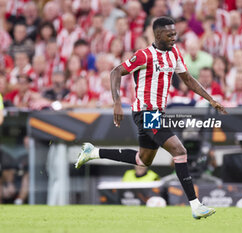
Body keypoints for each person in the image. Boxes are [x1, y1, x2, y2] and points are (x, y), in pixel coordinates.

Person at [75, 16, 227, 219]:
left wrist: (211, 99)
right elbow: (115, 72)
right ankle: (195, 205)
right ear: (158, 34)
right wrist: (117, 102)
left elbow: (188, 79)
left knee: (143, 159)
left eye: (175, 33)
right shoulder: (144, 55)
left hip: (156, 113)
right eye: (170, 34)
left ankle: (93, 152)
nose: (174, 37)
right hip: (146, 112)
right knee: (179, 150)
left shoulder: (174, 54)